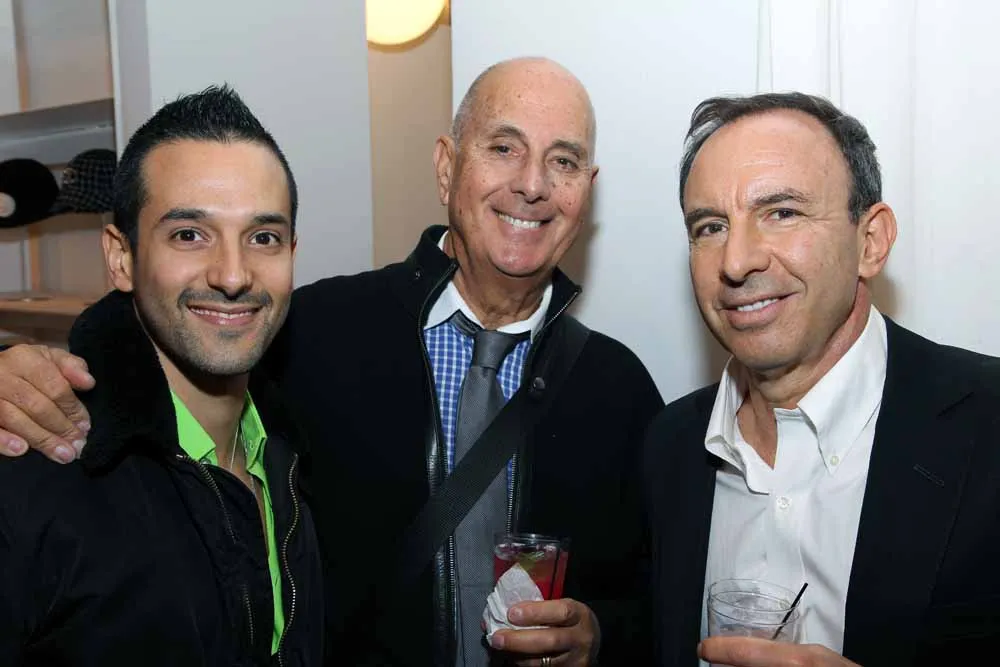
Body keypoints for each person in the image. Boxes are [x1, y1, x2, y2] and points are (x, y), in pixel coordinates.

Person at [0, 58, 662, 666]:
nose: (532, 185)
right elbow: (169, 330)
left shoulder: (621, 389)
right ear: (446, 167)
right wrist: (19, 369)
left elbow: (658, 600)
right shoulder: (309, 331)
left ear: (586, 190)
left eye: (563, 161)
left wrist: (600, 634)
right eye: (504, 148)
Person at [644, 91, 1000, 667]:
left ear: (871, 242)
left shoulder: (987, 426)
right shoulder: (668, 447)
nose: (735, 261)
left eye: (782, 213)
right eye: (710, 226)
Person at [0, 86, 324, 665]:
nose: (233, 275)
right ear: (121, 258)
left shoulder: (294, 450)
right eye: (189, 235)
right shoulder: (38, 465)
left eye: (263, 237)